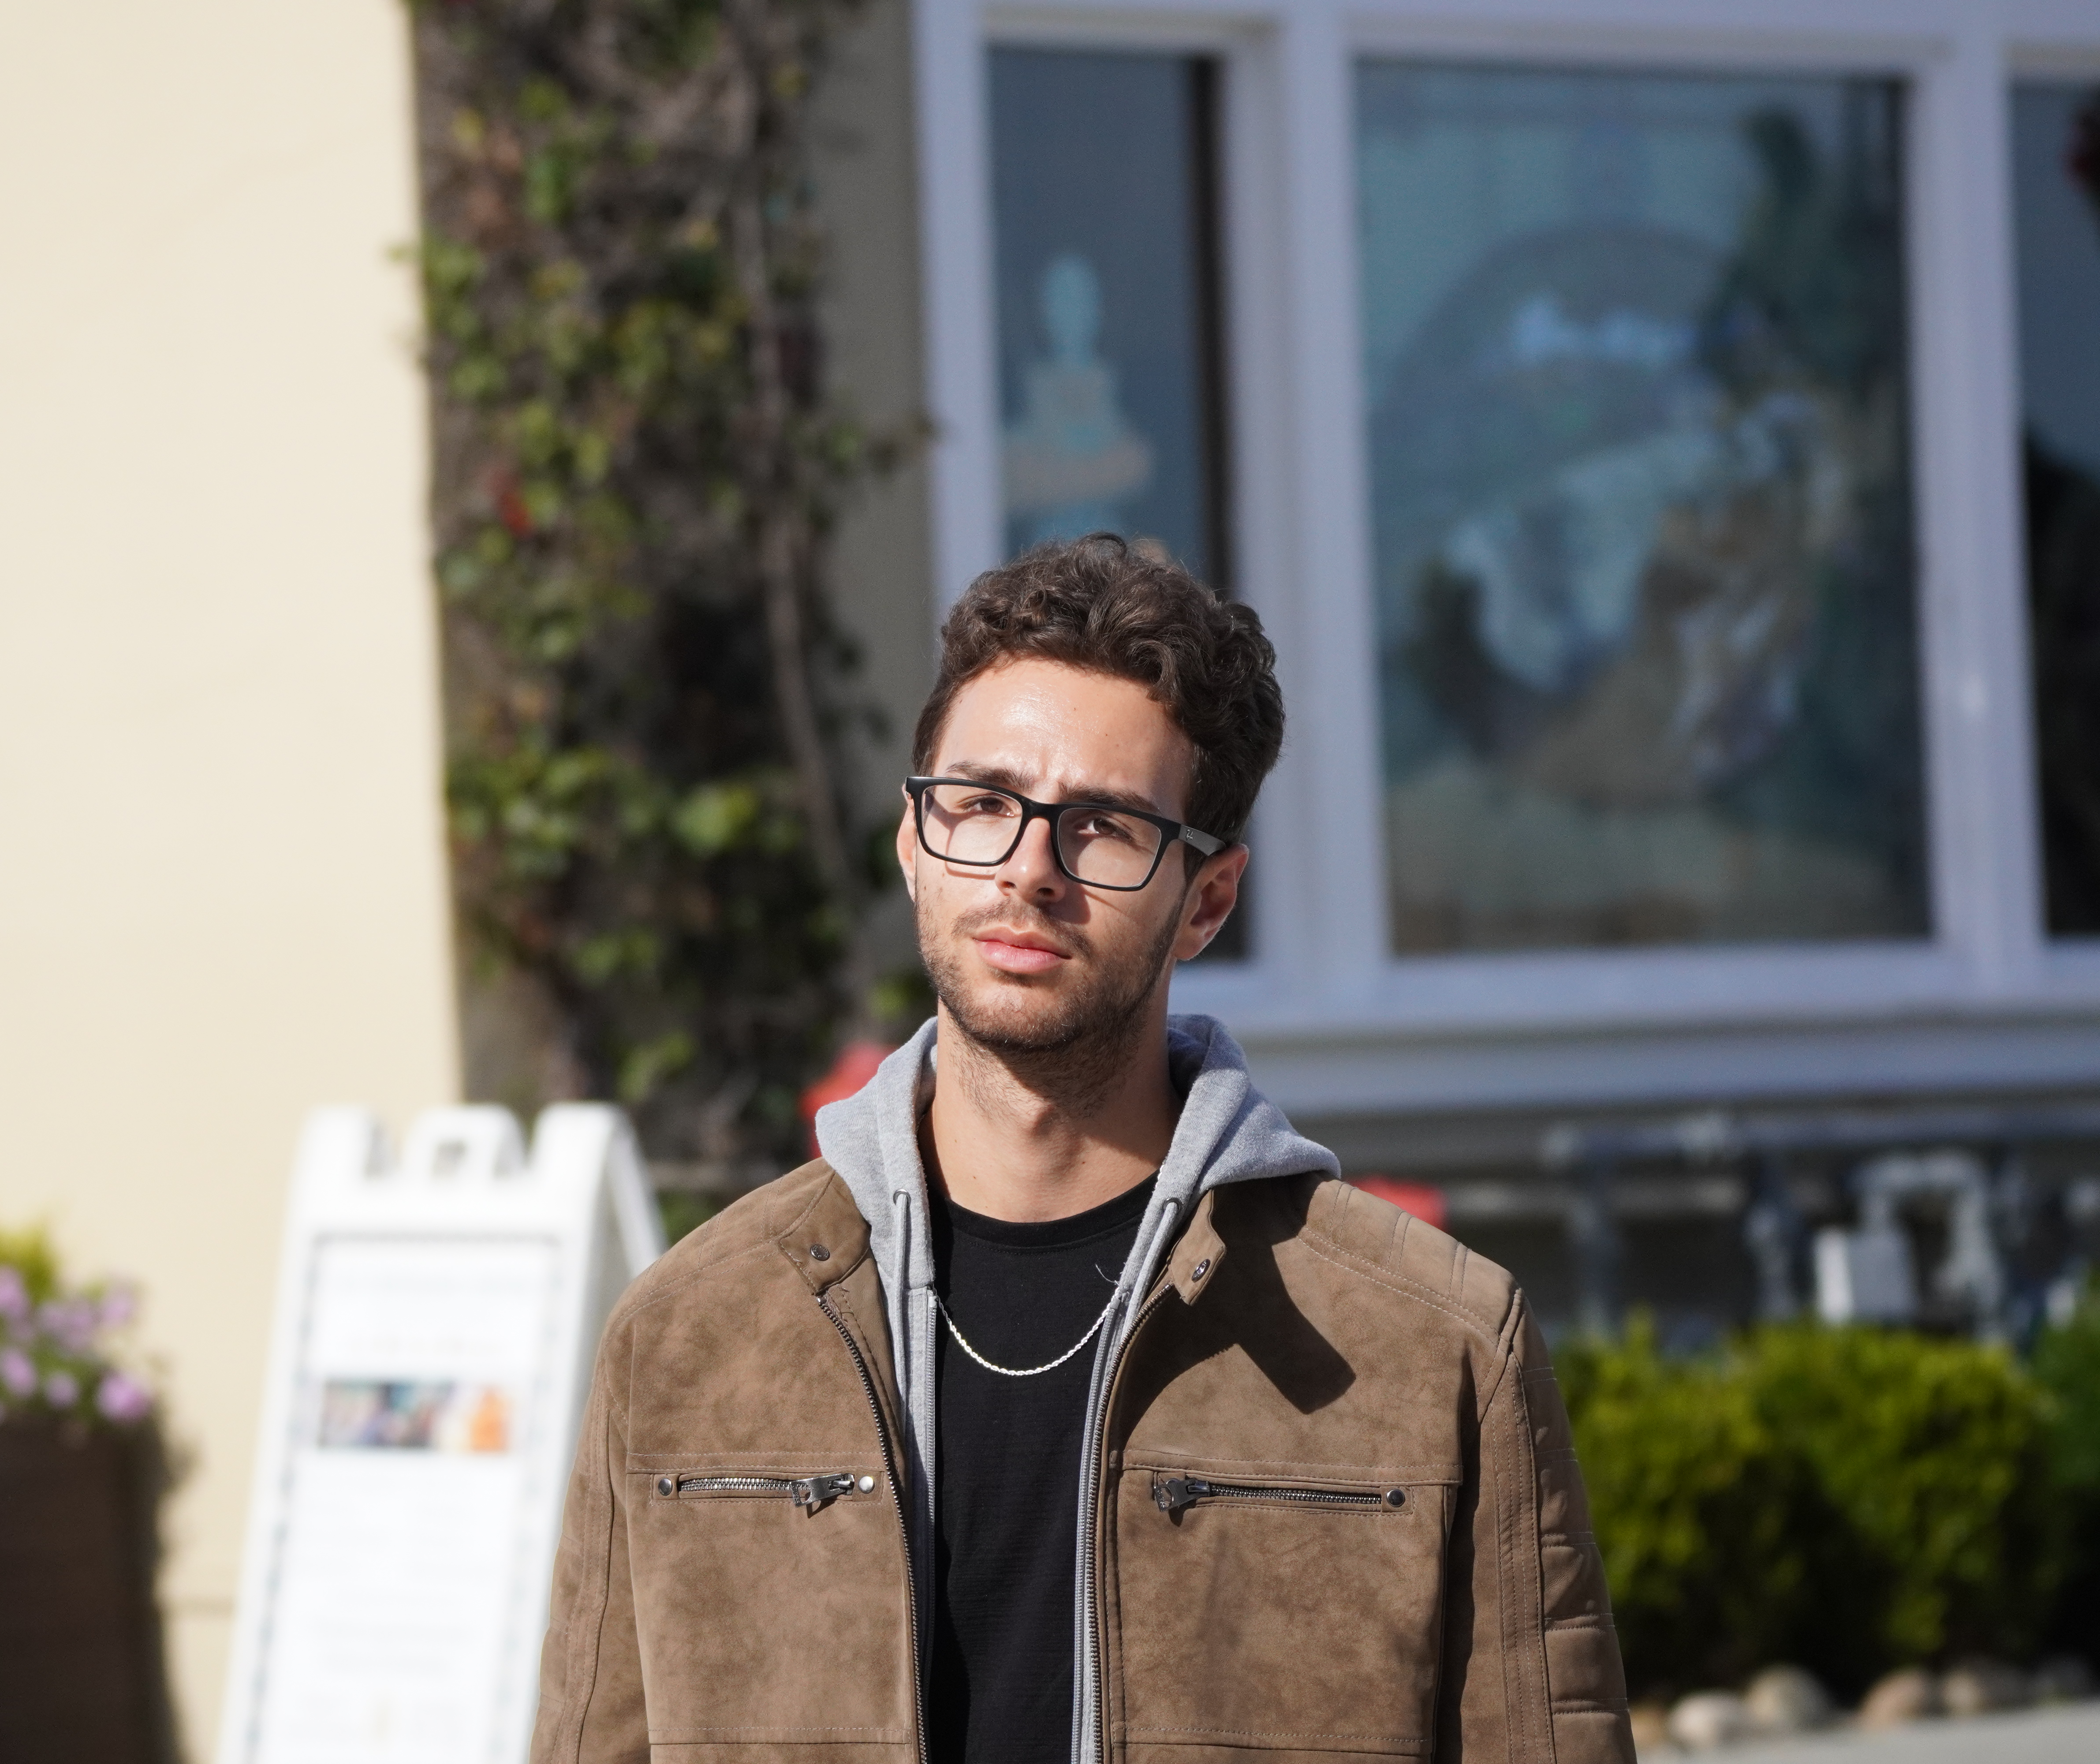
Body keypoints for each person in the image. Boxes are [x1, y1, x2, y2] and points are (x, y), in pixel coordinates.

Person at [530, 536, 1633, 1764]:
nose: (1028, 870)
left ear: (1206, 902)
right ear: (912, 842)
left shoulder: (1433, 1350)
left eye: (1103, 828)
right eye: (982, 805)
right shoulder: (691, 1334)